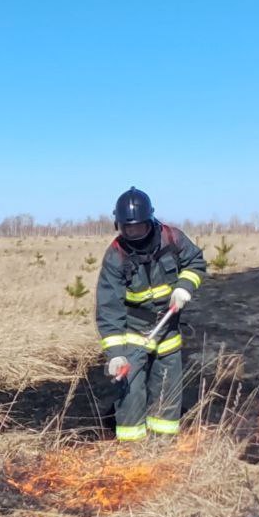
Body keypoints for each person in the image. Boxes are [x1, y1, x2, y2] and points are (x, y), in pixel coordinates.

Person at [96, 187, 207, 441]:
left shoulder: (171, 238)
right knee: (130, 392)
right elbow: (108, 308)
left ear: (151, 222)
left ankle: (162, 446)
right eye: (127, 229)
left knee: (167, 389)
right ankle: (132, 452)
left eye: (139, 227)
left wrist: (184, 287)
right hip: (133, 334)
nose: (133, 234)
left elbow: (196, 262)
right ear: (119, 226)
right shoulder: (116, 256)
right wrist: (115, 355)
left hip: (167, 330)